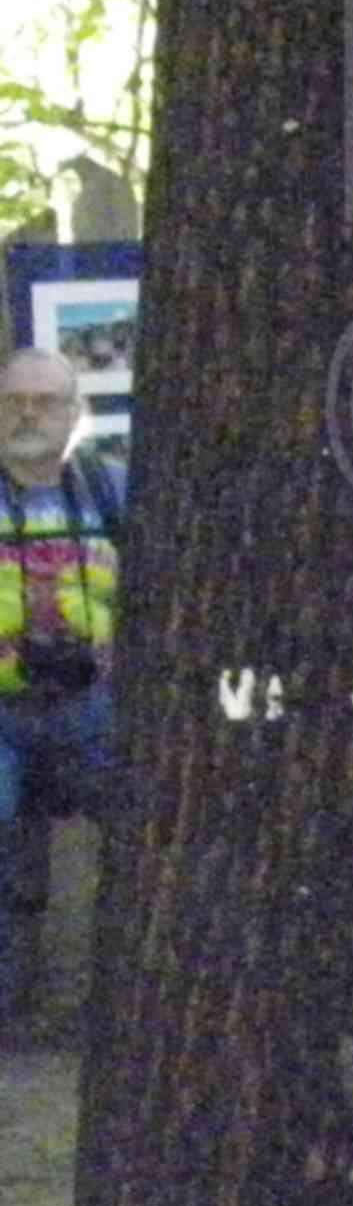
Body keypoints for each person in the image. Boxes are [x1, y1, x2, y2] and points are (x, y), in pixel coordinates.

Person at [0, 346, 122, 1032]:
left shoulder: (111, 491)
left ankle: (92, 1005)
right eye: (14, 399)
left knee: (120, 851)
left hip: (92, 710)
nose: (27, 413)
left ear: (75, 413)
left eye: (45, 400)